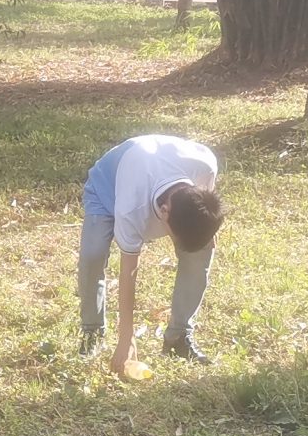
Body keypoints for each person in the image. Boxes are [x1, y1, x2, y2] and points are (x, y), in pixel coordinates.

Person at [75, 135, 226, 374]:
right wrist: (127, 338)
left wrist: (207, 233)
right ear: (164, 213)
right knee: (92, 255)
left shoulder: (205, 164)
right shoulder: (131, 208)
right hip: (107, 187)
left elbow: (205, 203)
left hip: (154, 163)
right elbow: (128, 272)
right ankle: (92, 330)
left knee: (202, 250)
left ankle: (179, 338)